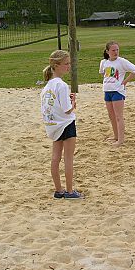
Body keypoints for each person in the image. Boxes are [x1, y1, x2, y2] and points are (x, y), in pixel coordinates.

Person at [40, 50, 83, 199]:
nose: (68, 66)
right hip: (66, 124)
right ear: (56, 65)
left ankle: (58, 190)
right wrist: (73, 102)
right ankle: (70, 191)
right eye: (66, 64)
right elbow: (67, 110)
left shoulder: (46, 87)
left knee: (55, 158)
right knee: (68, 158)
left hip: (53, 125)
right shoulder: (62, 85)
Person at [99, 41, 135, 147]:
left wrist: (125, 81)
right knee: (111, 116)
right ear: (107, 51)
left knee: (118, 116)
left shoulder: (122, 61)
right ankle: (116, 136)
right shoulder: (103, 62)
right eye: (113, 50)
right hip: (107, 91)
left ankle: (120, 140)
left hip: (117, 91)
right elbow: (103, 74)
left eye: (117, 50)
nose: (116, 52)